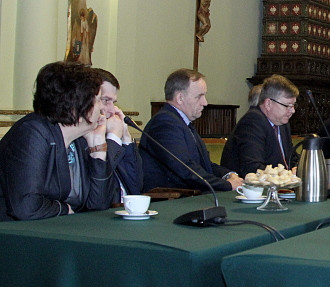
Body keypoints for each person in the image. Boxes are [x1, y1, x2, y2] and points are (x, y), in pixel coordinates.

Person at [0, 62, 118, 220]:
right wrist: (63, 209)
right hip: (14, 230)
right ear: (77, 106)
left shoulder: (81, 138)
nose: (102, 108)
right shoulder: (32, 133)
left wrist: (98, 150)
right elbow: (26, 207)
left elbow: (99, 205)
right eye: (98, 100)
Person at [140, 69, 242, 192]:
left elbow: (204, 165)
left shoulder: (181, 122)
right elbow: (185, 169)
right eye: (199, 96)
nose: (205, 103)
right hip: (174, 198)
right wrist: (227, 185)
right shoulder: (165, 123)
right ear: (180, 98)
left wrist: (228, 175)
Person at [221, 75, 299, 176]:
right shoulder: (252, 122)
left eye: (293, 105)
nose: (293, 111)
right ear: (268, 104)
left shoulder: (282, 124)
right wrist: (287, 175)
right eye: (288, 105)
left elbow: (292, 158)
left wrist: (300, 167)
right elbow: (252, 168)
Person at [94, 68, 143, 200]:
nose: (112, 110)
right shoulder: (87, 138)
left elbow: (136, 185)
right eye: (105, 100)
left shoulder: (112, 133)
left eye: (114, 102)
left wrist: (126, 136)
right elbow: (102, 184)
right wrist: (114, 137)